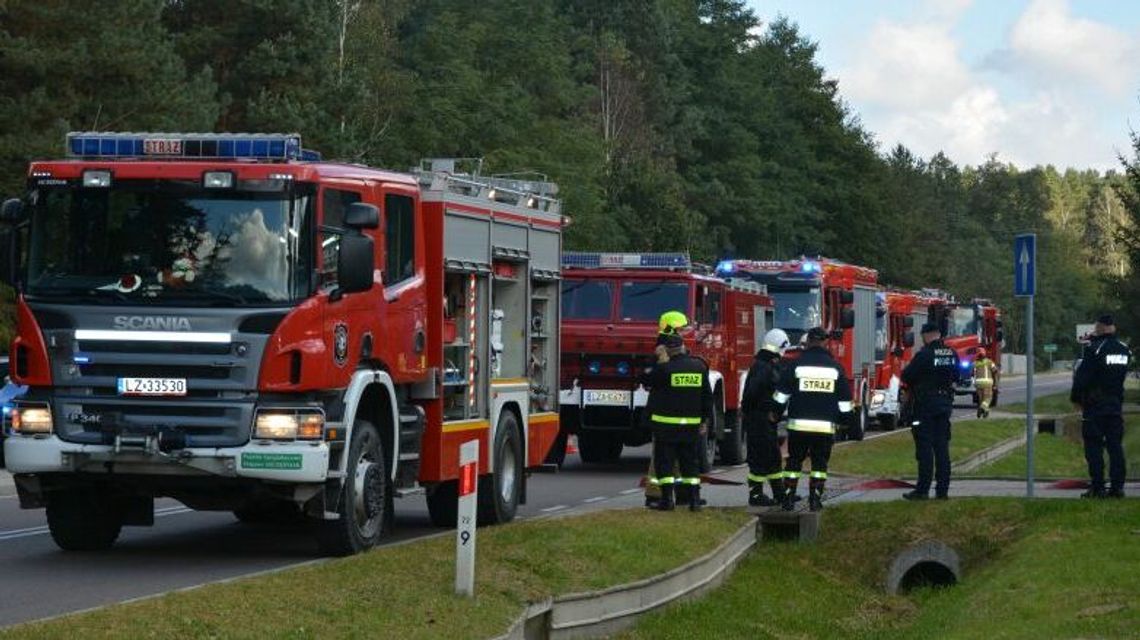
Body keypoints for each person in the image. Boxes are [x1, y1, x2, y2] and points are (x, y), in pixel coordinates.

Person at [773, 327, 853, 511]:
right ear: (826, 342)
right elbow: (845, 402)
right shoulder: (835, 367)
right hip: (824, 428)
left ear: (808, 341)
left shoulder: (796, 365)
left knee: (794, 463)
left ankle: (788, 499)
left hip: (798, 426)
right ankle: (815, 500)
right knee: (819, 465)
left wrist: (775, 413)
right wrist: (846, 421)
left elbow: (781, 396)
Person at [645, 319, 713, 511]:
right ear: (683, 346)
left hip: (665, 427)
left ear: (666, 349)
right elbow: (707, 398)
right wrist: (704, 420)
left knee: (665, 464)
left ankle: (667, 500)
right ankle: (694, 501)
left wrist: (659, 361)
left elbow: (647, 381)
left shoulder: (664, 369)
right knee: (690, 463)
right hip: (690, 426)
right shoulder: (699, 367)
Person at [1070, 314, 1131, 499]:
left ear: (1102, 327)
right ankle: (1117, 487)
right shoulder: (1123, 350)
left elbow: (1082, 378)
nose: (1095, 330)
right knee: (1115, 447)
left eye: (1097, 327)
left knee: (1094, 447)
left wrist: (1076, 399)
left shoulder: (1095, 349)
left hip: (1095, 406)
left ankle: (1098, 487)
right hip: (1114, 405)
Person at [901, 322, 959, 500]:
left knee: (925, 448)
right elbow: (957, 375)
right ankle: (942, 491)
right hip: (944, 405)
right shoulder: (951, 354)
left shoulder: (924, 354)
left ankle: (922, 490)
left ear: (926, 335)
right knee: (942, 448)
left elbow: (907, 376)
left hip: (925, 406)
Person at [644, 311, 689, 508]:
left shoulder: (671, 349)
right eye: (681, 328)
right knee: (661, 457)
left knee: (676, 456)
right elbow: (649, 380)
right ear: (671, 328)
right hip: (665, 412)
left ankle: (681, 495)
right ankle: (655, 494)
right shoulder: (661, 352)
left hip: (674, 411)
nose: (684, 332)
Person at [741, 328, 790, 506]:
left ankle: (779, 494)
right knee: (762, 458)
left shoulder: (761, 364)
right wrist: (772, 410)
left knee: (771, 457)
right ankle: (756, 496)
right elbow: (754, 394)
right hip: (760, 419)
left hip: (759, 418)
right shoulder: (766, 367)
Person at [973, 348, 999, 418]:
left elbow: (972, 373)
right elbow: (995, 372)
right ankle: (981, 408)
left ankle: (986, 412)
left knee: (982, 399)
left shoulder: (975, 363)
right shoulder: (989, 362)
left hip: (978, 383)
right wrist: (995, 384)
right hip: (987, 383)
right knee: (988, 398)